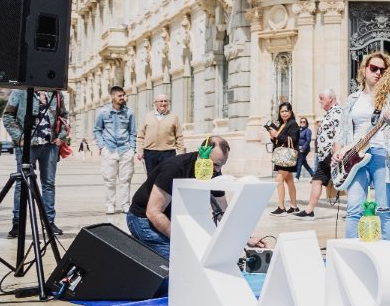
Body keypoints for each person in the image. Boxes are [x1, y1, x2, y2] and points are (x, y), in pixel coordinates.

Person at [126, 136, 264, 258]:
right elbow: (153, 212)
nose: (217, 170)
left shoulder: (214, 171)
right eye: (215, 164)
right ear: (202, 154)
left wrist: (246, 238)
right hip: (142, 219)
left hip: (170, 219)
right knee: (177, 264)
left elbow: (223, 212)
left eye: (221, 166)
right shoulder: (175, 168)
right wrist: (183, 242)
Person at [333, 52, 390, 240]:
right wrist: (338, 153)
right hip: (355, 157)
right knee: (353, 209)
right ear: (364, 69)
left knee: (385, 209)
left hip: (383, 155)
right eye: (373, 68)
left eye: (382, 70)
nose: (377, 72)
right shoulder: (353, 99)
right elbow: (341, 132)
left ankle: (389, 256)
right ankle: (350, 256)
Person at [2, 88, 69, 237]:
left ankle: (49, 223)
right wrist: (19, 138)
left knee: (49, 184)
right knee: (22, 184)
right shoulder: (21, 91)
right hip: (27, 146)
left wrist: (61, 137)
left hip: (50, 145)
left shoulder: (56, 93)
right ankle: (17, 224)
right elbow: (7, 116)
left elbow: (64, 116)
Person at [297, 90, 342, 218]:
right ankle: (309, 210)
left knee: (346, 181)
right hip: (324, 156)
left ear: (331, 99)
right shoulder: (329, 113)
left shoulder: (338, 112)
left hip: (332, 155)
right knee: (316, 181)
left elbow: (340, 133)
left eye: (322, 98)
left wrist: (336, 151)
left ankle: (354, 209)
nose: (319, 101)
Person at [94, 85, 136, 216]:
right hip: (110, 149)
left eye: (123, 95)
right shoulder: (103, 112)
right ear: (112, 96)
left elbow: (133, 131)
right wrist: (102, 146)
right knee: (109, 179)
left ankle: (125, 205)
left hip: (125, 150)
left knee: (125, 179)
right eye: (120, 96)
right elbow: (97, 130)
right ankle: (110, 205)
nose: (123, 98)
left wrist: (132, 148)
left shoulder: (129, 113)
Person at [137, 94, 184, 177]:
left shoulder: (174, 117)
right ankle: (151, 190)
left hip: (168, 152)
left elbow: (179, 136)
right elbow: (141, 135)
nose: (163, 103)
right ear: (155, 103)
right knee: (151, 177)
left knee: (166, 177)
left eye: (165, 101)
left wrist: (180, 152)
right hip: (150, 152)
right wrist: (140, 151)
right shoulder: (148, 116)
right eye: (161, 101)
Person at [267, 102, 300, 215]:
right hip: (282, 157)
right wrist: (273, 137)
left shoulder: (293, 124)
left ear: (290, 112)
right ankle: (294, 206)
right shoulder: (282, 124)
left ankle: (281, 208)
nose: (284, 113)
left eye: (286, 111)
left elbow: (293, 139)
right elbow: (279, 140)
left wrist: (277, 135)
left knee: (279, 179)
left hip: (287, 156)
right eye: (282, 111)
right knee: (289, 180)